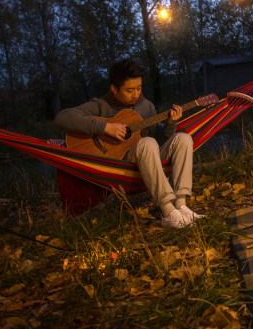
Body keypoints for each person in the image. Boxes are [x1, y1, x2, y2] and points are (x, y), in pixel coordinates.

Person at [55, 59, 209, 228]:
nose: (136, 94)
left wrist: (171, 124)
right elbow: (63, 117)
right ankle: (168, 212)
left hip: (146, 163)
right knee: (147, 143)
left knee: (183, 138)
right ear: (114, 89)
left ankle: (181, 205)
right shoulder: (100, 106)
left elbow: (162, 141)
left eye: (139, 88)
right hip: (119, 167)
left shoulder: (146, 106)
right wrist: (105, 127)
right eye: (129, 90)